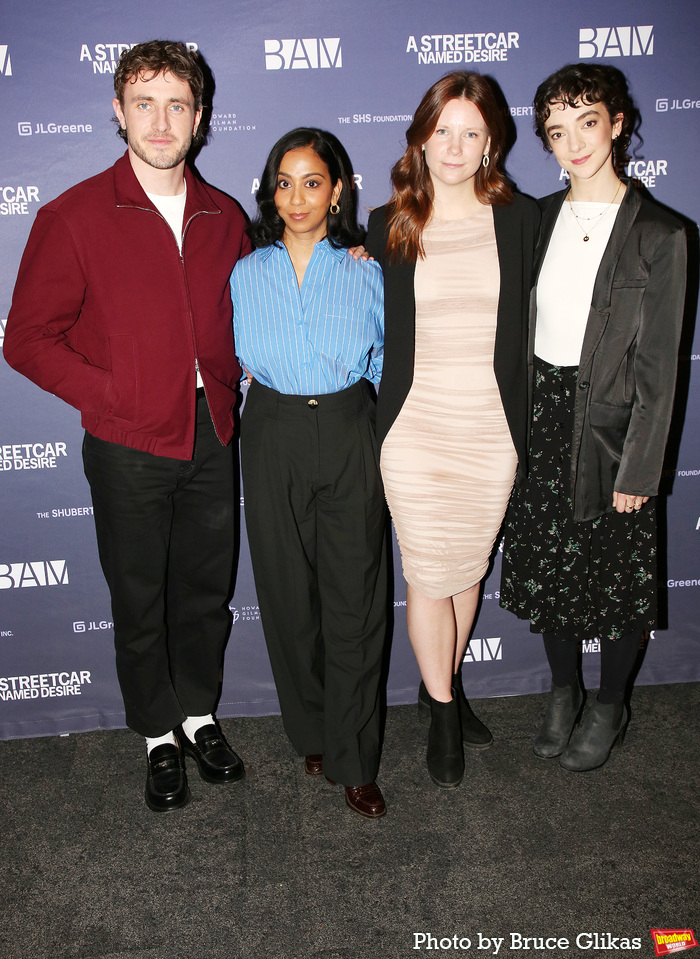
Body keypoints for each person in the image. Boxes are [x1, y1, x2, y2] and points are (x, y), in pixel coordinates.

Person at [3, 41, 251, 812]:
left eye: (177, 104)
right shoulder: (74, 214)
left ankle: (200, 714)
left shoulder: (225, 215)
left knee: (205, 593)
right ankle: (156, 733)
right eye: (143, 103)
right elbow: (25, 338)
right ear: (119, 112)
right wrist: (113, 394)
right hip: (127, 445)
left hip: (212, 434)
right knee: (140, 596)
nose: (161, 120)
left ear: (199, 118)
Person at [500, 63, 687, 771]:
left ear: (617, 123)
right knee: (550, 572)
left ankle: (610, 702)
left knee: (616, 583)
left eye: (587, 121)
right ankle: (561, 689)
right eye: (556, 130)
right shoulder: (535, 219)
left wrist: (640, 465)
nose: (572, 142)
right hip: (542, 417)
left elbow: (661, 369)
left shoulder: (661, 235)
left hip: (614, 429)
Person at [365, 72, 540, 788]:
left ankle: (445, 684)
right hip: (413, 426)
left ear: (492, 140)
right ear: (421, 137)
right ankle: (442, 712)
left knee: (466, 568)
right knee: (428, 576)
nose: (456, 146)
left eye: (472, 132)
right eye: (444, 131)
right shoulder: (387, 224)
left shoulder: (524, 220)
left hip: (491, 425)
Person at [230, 129, 388, 818]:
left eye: (313, 181)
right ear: (269, 191)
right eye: (284, 182)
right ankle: (315, 731)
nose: (297, 197)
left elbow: (390, 358)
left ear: (338, 188)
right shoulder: (244, 271)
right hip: (271, 431)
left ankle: (355, 757)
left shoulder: (369, 267)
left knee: (354, 599)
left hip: (352, 427)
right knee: (290, 599)